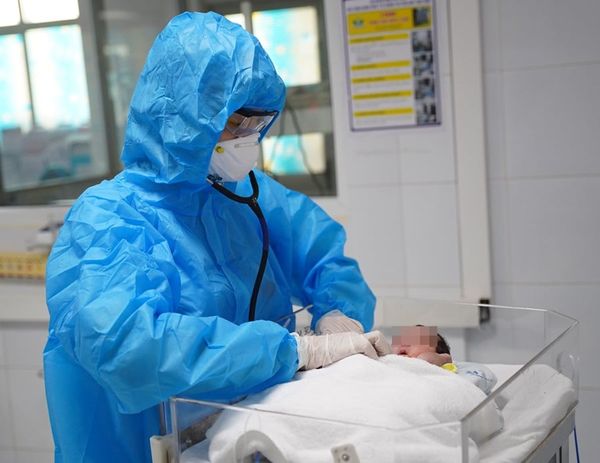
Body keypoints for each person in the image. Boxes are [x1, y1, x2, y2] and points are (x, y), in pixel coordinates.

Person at [43, 12, 387, 463]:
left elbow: (324, 257)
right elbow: (128, 346)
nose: (249, 139)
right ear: (185, 116)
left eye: (258, 125)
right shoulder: (109, 219)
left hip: (241, 442)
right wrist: (291, 350)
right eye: (236, 123)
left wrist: (338, 317)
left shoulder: (246, 193)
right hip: (141, 448)